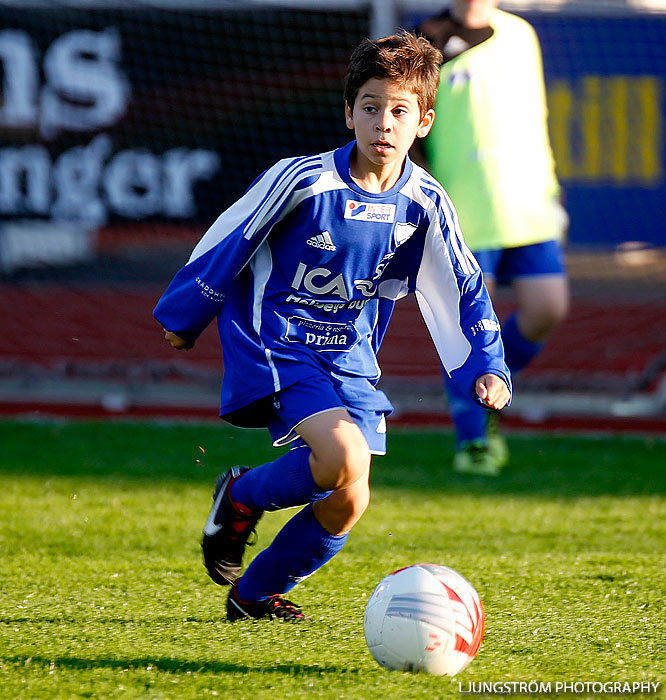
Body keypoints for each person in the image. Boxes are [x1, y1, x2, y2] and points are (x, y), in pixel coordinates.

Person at [153, 30, 511, 623]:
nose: (383, 124)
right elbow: (230, 236)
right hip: (281, 342)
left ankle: (253, 595)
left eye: (399, 111)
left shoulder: (424, 199)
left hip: (350, 355)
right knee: (343, 456)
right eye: (370, 108)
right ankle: (240, 497)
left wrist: (487, 364)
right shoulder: (302, 180)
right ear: (349, 113)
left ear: (423, 122)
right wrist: (187, 314)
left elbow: (461, 281)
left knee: (350, 497)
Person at [414, 0, 569, 476]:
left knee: (548, 309)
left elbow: (535, 121)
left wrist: (552, 192)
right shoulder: (428, 39)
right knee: (465, 330)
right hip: (464, 211)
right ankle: (473, 441)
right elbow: (412, 129)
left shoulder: (521, 34)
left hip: (526, 206)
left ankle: (489, 387)